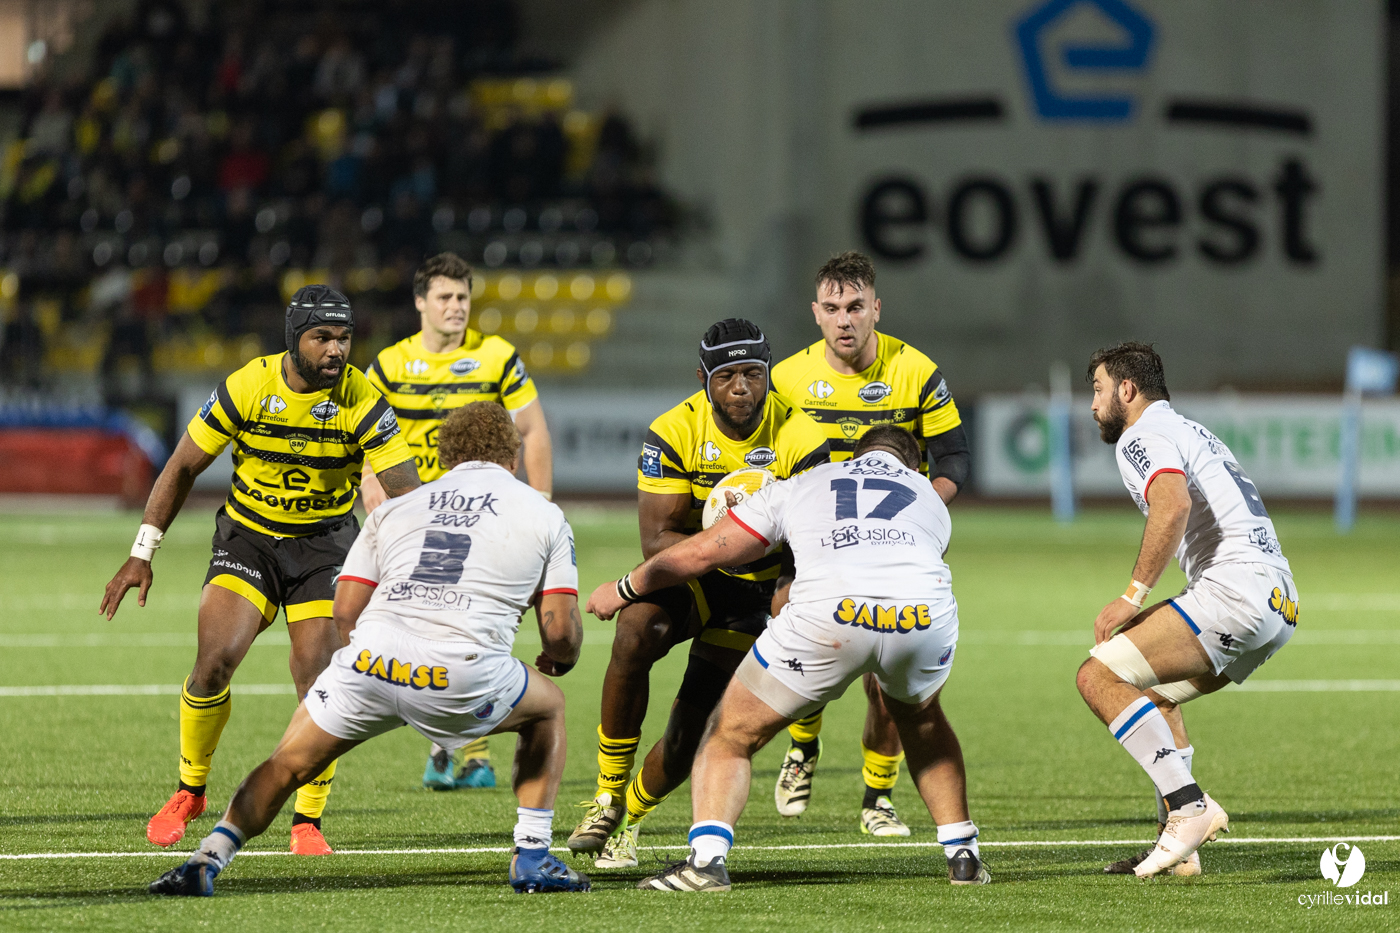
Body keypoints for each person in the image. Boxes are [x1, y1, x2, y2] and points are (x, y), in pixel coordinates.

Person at [148, 401, 590, 896]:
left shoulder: (401, 506)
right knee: (548, 707)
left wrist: (379, 663)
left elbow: (345, 608)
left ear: (445, 457)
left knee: (286, 762)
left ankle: (207, 859)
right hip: (460, 674)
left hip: (372, 661)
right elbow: (558, 629)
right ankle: (531, 856)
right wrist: (562, 658)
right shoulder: (544, 514)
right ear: (513, 458)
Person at [587, 426, 990, 891]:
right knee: (921, 720)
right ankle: (962, 853)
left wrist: (623, 589)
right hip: (922, 618)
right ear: (914, 465)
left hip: (831, 616)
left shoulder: (806, 483)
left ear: (853, 456)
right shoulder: (929, 495)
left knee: (729, 734)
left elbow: (700, 553)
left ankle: (706, 863)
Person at [100, 285, 421, 856]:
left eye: (344, 338)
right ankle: (190, 790)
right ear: (293, 338)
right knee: (214, 664)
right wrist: (142, 550)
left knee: (319, 677)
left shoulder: (361, 399)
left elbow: (406, 494)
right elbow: (181, 466)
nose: (336, 350)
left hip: (324, 546)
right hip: (248, 539)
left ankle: (307, 819)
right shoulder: (248, 385)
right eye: (322, 337)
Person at [567, 319, 830, 869]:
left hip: (759, 594)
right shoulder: (672, 430)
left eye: (754, 374)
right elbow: (655, 539)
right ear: (703, 378)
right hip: (696, 577)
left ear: (768, 374)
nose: (742, 388)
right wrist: (730, 542)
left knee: (693, 730)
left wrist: (781, 584)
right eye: (728, 375)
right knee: (636, 631)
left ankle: (631, 821)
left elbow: (813, 539)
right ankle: (607, 795)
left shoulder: (802, 436)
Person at [767, 251, 970, 835]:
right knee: (801, 643)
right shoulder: (786, 379)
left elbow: (954, 456)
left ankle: (877, 796)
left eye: (856, 307)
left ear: (876, 308)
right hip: (815, 545)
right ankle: (804, 746)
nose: (845, 320)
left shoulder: (916, 370)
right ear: (815, 315)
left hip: (893, 549)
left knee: (889, 678)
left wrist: (912, 516)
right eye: (832, 309)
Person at [1076, 342, 1297, 878]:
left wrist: (1133, 595)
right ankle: (1180, 851)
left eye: (1099, 390)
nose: (1093, 404)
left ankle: (1191, 807)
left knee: (1098, 676)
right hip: (1279, 600)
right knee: (1152, 696)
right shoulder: (1192, 430)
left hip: (1236, 590)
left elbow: (1173, 504)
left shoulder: (1140, 435)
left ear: (1127, 390)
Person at [363, 252, 553, 792]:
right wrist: (371, 490)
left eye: (463, 298)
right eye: (444, 297)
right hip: (412, 514)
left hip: (477, 516)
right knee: (425, 627)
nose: (456, 307)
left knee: (467, 623)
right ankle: (451, 745)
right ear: (420, 302)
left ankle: (465, 751)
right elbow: (365, 437)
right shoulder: (392, 365)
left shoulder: (495, 358)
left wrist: (539, 501)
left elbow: (533, 430)